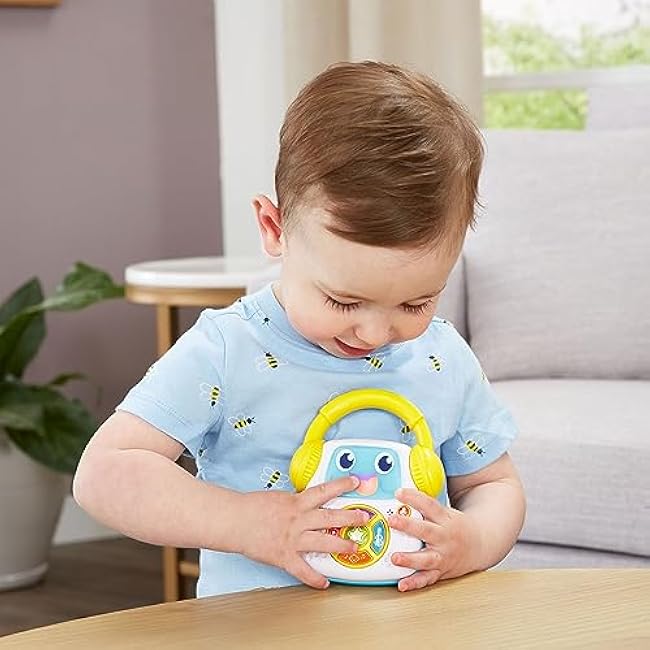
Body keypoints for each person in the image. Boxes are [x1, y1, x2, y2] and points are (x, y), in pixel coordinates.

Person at [73, 61, 526, 597]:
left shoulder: (441, 355)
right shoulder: (227, 348)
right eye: (343, 300)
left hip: (416, 629)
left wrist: (473, 539)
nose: (374, 333)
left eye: (415, 302)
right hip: (258, 629)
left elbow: (494, 484)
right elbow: (104, 474)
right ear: (275, 229)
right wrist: (248, 523)